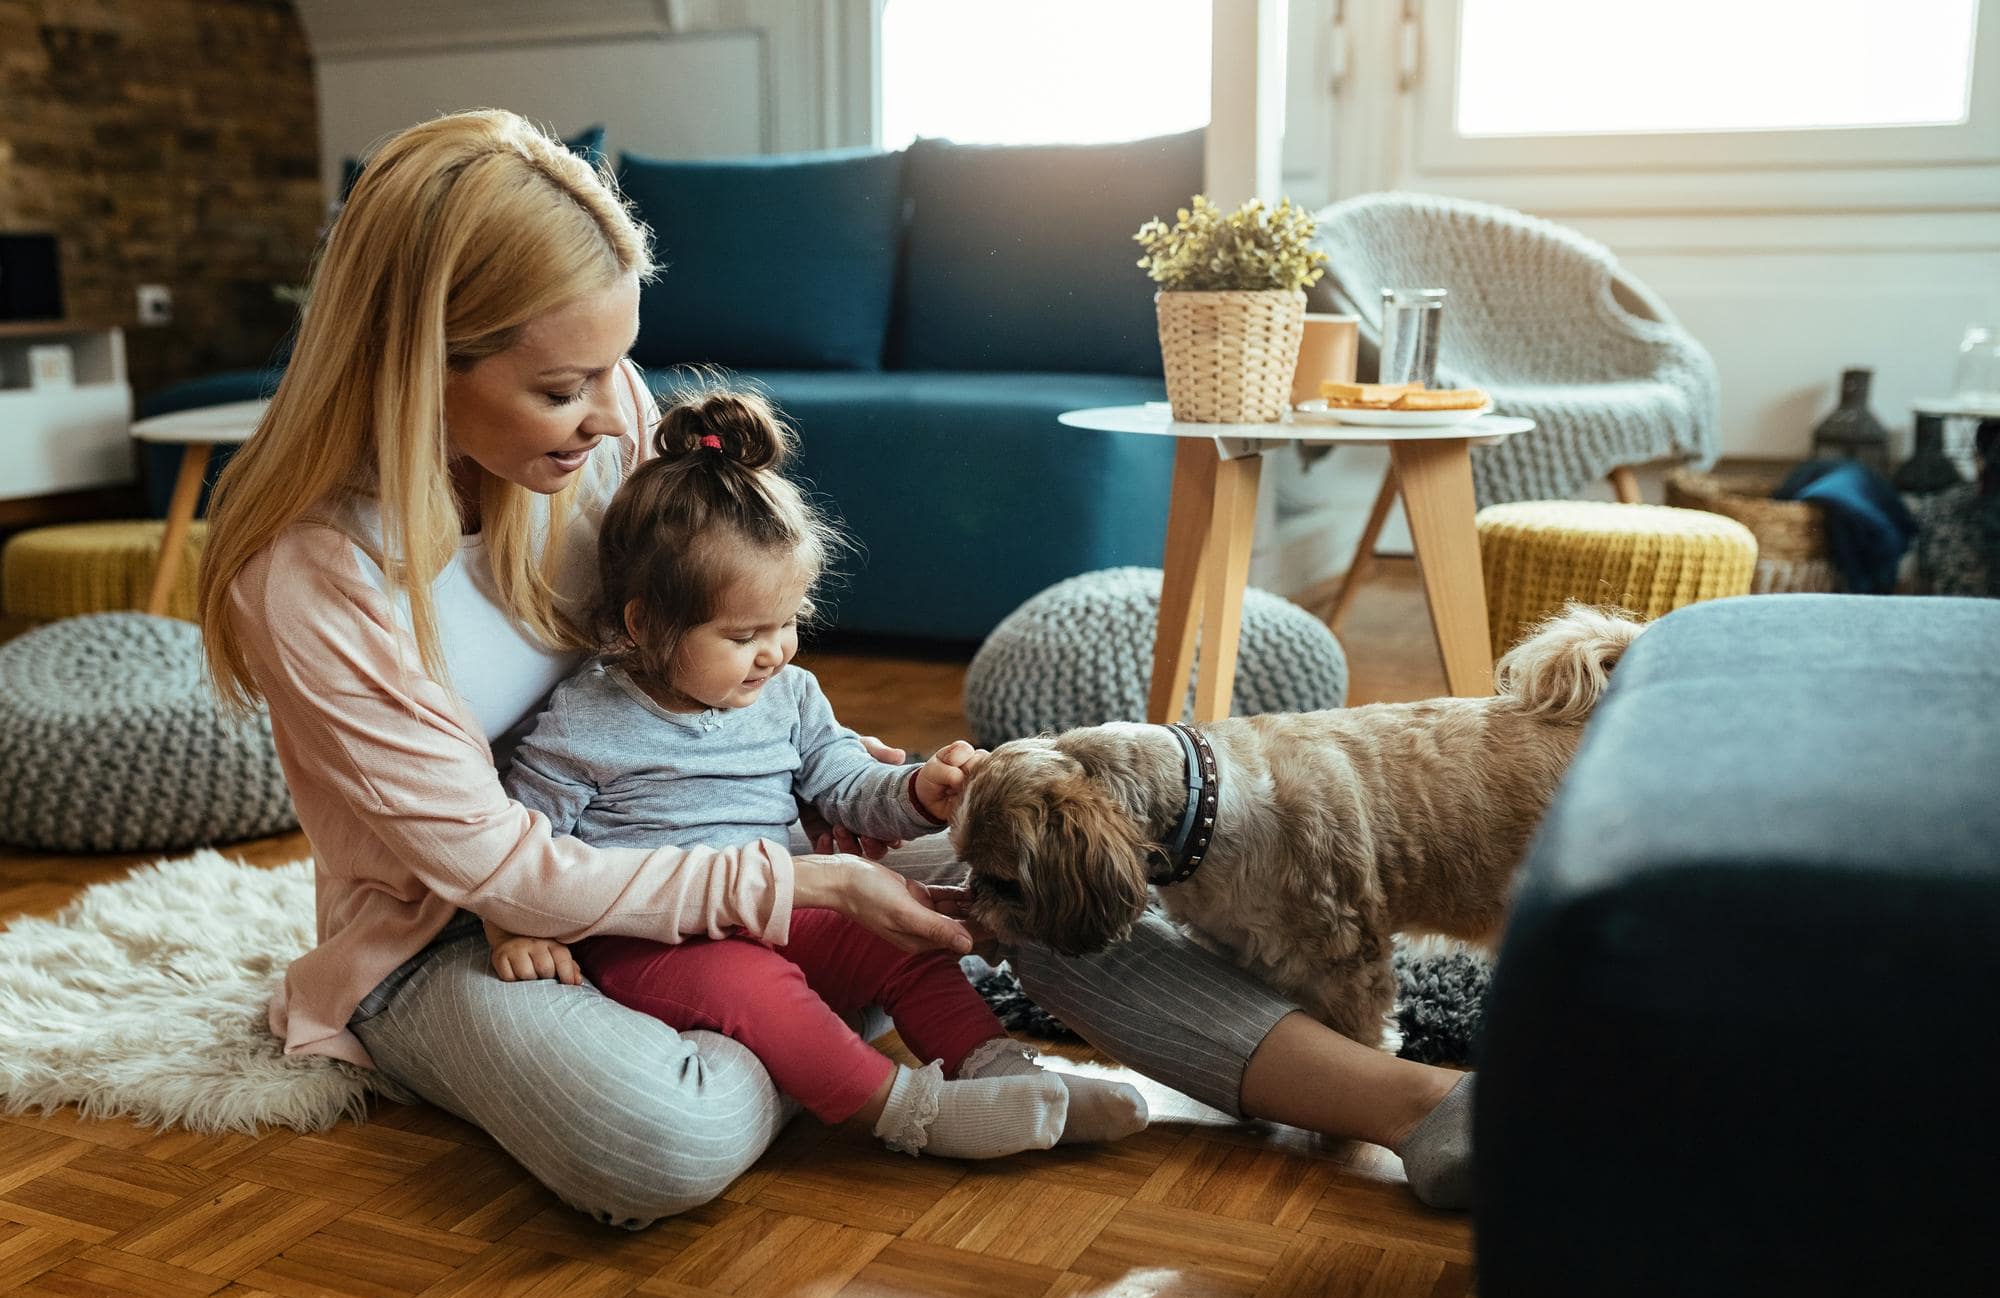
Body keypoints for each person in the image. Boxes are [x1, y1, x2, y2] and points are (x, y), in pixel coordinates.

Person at [197, 109, 1475, 1229]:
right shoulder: (317, 573)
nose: (609, 417)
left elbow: (721, 622)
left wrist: (841, 778)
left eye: (611, 368)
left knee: (1010, 849)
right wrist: (800, 888)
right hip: (469, 925)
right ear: (422, 356)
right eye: (560, 387)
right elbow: (496, 864)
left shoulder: (595, 431)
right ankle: (840, 1033)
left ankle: (1417, 1104)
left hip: (711, 821)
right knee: (659, 1138)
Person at [484, 385, 1150, 1159]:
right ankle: (917, 1115)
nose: (777, 651)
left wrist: (916, 792)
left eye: (789, 622)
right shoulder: (584, 722)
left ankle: (1003, 1069)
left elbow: (844, 783)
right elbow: (516, 847)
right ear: (645, 624)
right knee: (762, 995)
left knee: (906, 942)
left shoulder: (788, 694)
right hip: (661, 943)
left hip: (787, 906)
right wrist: (508, 929)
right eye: (744, 634)